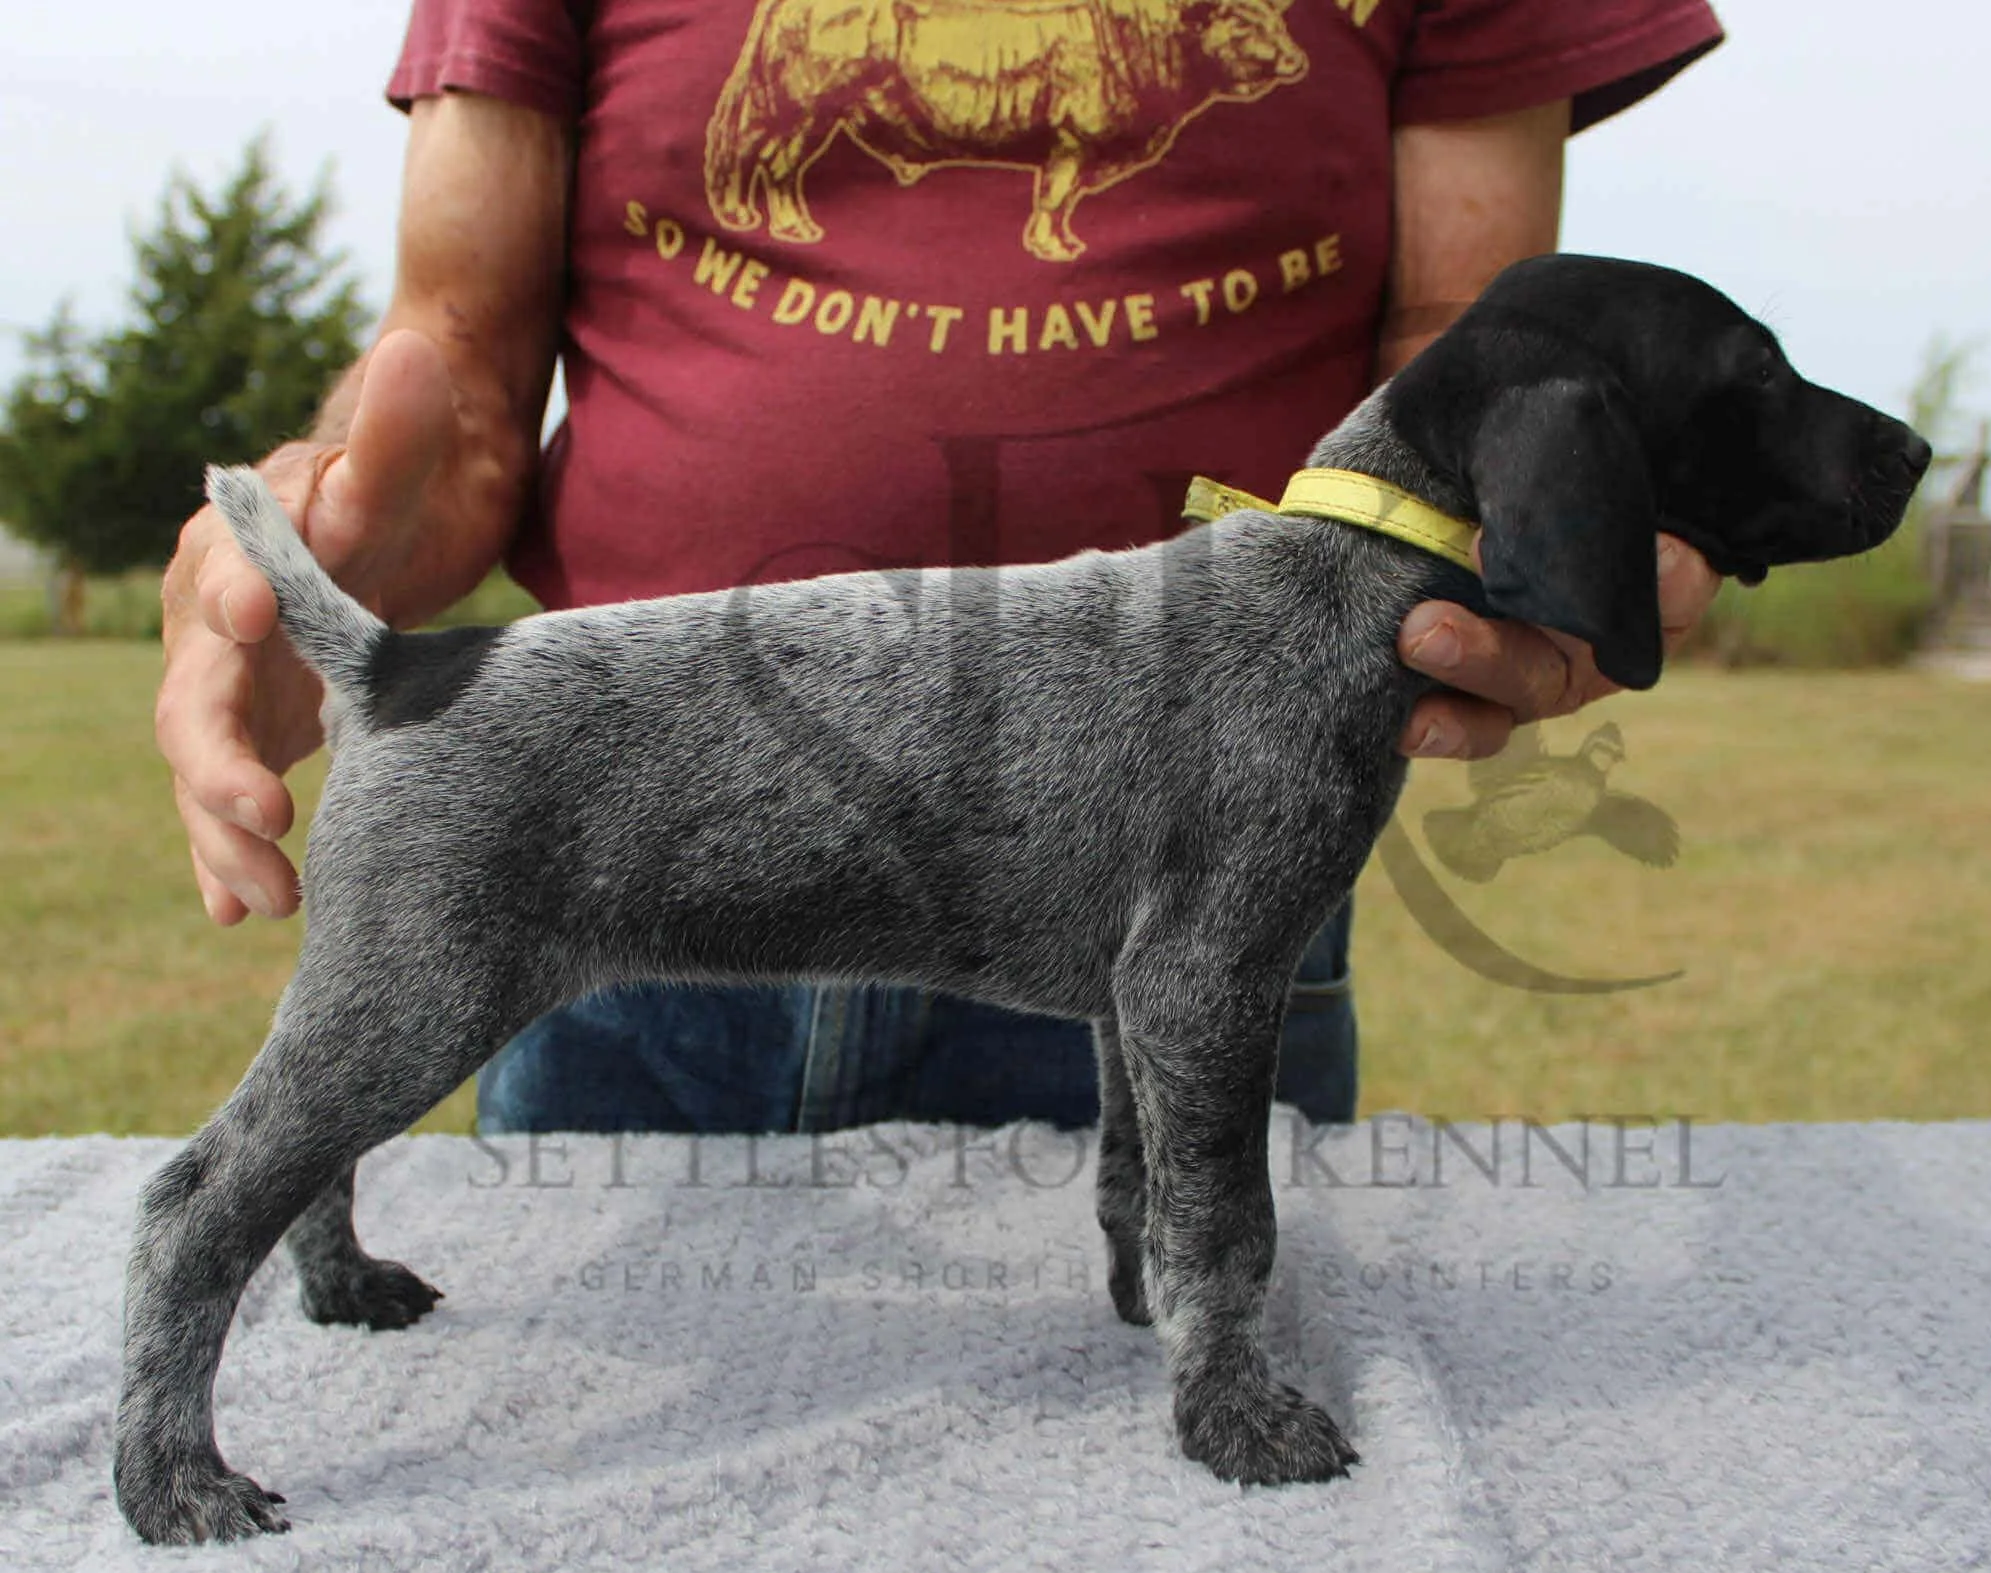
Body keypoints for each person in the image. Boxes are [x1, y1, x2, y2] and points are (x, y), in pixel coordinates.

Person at [157, 0, 1726, 1134]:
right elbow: (462, 371)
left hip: (1187, 815)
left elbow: (1456, 341)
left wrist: (1556, 514)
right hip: (641, 797)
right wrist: (342, 528)